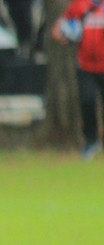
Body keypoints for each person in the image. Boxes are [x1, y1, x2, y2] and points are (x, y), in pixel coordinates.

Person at [52, 0, 104, 159]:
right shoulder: (79, 4)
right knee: (87, 101)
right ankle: (91, 140)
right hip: (85, 65)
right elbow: (56, 30)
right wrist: (66, 35)